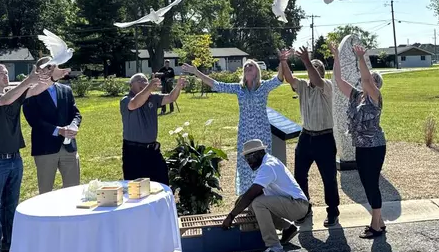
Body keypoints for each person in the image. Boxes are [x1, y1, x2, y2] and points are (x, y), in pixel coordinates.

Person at [0, 64, 52, 252]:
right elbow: (5, 100)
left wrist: (51, 77)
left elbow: (34, 90)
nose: (5, 75)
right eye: (1, 73)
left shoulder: (13, 93)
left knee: (11, 205)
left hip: (14, 159)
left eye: (6, 73)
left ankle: (9, 245)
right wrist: (28, 80)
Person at [181, 59, 283, 195]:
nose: (247, 67)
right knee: (246, 164)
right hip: (245, 133)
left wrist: (282, 61)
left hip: (262, 134)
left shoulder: (263, 87)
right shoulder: (239, 88)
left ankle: (266, 198)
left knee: (263, 164)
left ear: (257, 71)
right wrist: (196, 72)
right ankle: (248, 198)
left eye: (251, 66)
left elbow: (278, 79)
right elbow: (216, 85)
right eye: (245, 66)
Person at [329, 42, 387, 239]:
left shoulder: (375, 97)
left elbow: (367, 80)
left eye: (370, 81)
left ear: (375, 84)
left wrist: (361, 58)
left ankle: (376, 226)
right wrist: (336, 56)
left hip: (375, 146)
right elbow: (338, 80)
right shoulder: (356, 96)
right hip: (361, 146)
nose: (364, 82)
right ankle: (379, 220)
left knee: (371, 183)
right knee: (367, 182)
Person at [278, 47, 340, 228]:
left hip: (325, 138)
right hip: (306, 137)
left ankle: (333, 211)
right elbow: (289, 79)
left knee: (328, 177)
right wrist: (283, 61)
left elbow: (317, 80)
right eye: (312, 67)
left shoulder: (327, 86)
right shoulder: (303, 86)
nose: (314, 69)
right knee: (299, 176)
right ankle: (304, 210)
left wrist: (306, 61)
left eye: (317, 67)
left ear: (321, 72)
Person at [221, 139, 309, 252]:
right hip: (292, 203)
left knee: (258, 203)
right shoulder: (268, 163)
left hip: (298, 205)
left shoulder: (268, 166)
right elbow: (253, 194)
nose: (248, 162)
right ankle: (287, 228)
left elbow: (252, 193)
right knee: (253, 204)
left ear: (256, 154)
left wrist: (231, 216)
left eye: (248, 158)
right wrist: (240, 202)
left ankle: (275, 247)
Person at [23, 57, 82, 194]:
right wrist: (58, 130)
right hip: (45, 148)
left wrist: (73, 126)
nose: (52, 70)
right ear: (38, 71)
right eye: (48, 67)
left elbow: (76, 114)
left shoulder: (65, 89)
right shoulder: (29, 93)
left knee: (73, 190)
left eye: (53, 67)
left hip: (69, 148)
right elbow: (34, 120)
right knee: (45, 191)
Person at [120, 73, 185, 185]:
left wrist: (178, 86)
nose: (144, 82)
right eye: (139, 80)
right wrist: (149, 87)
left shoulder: (153, 98)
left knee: (162, 183)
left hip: (152, 150)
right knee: (136, 187)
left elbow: (171, 97)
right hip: (133, 151)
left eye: (145, 80)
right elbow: (135, 104)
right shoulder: (126, 100)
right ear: (131, 85)